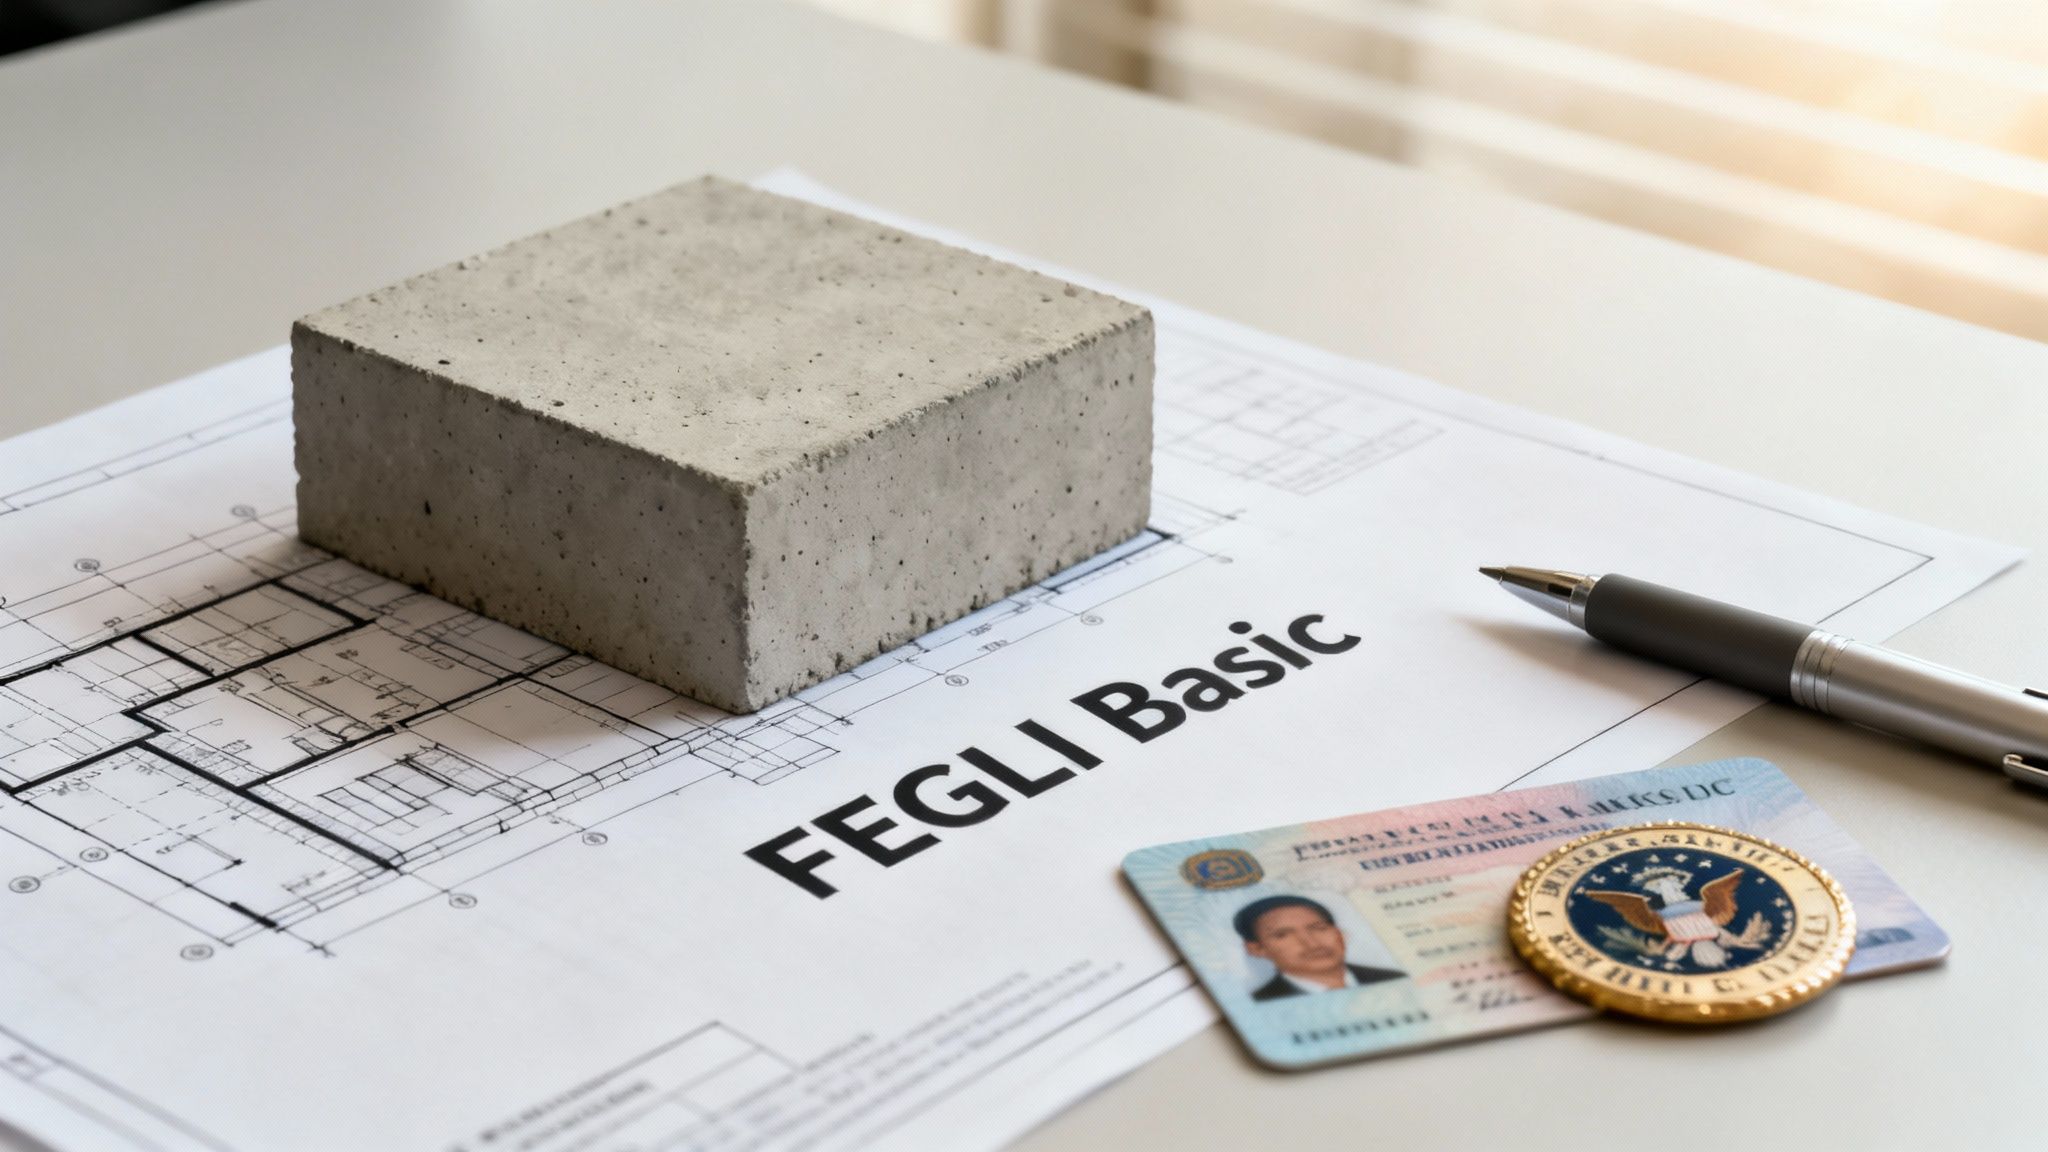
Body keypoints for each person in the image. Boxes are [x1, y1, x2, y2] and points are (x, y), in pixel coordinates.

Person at [1232, 894, 1404, 1001]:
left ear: (1340, 934)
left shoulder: (1396, 979)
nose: (1311, 943)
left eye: (1319, 928)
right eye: (1283, 935)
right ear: (1256, 949)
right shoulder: (1262, 1002)